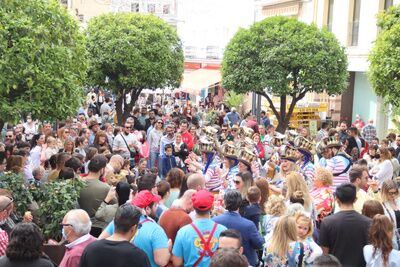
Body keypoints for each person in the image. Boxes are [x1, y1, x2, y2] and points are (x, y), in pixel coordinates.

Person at [100, 190, 170, 267]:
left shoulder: (118, 221)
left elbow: (100, 241)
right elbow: (161, 261)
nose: (157, 208)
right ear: (147, 209)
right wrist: (168, 249)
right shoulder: (156, 230)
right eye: (155, 205)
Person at [78, 204, 150, 267]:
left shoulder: (91, 249)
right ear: (133, 228)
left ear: (114, 222)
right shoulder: (138, 256)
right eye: (138, 226)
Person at [319, 183, 372, 266]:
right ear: (355, 199)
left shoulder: (327, 222)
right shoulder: (368, 222)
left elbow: (324, 253)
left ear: (337, 199)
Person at [172, 190, 227, 267]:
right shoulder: (223, 230)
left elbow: (177, 262)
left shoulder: (183, 232)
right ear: (211, 207)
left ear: (194, 207)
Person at [212, 190, 263, 266]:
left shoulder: (214, 222)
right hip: (245, 262)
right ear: (240, 204)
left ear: (224, 203)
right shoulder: (248, 225)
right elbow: (258, 244)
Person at [78, 155, 110, 235]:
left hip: (78, 223)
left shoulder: (77, 182)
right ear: (102, 169)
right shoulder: (105, 187)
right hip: (97, 226)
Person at [380, 180, 400, 250]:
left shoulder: (398, 201)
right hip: (392, 238)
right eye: (390, 193)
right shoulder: (382, 205)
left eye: (395, 192)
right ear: (385, 192)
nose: (393, 195)